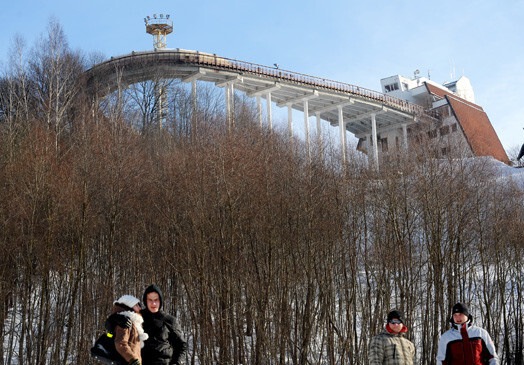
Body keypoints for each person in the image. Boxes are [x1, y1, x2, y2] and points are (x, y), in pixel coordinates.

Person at [141, 284, 187, 364]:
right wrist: (114, 320)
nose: (153, 303)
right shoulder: (137, 317)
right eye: (150, 300)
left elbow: (181, 345)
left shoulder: (169, 320)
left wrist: (177, 362)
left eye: (156, 300)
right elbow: (114, 336)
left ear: (160, 300)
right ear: (145, 300)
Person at [96, 295, 148, 365]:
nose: (139, 308)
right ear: (129, 305)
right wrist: (133, 361)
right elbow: (121, 343)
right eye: (136, 305)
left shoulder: (132, 323)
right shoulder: (125, 322)